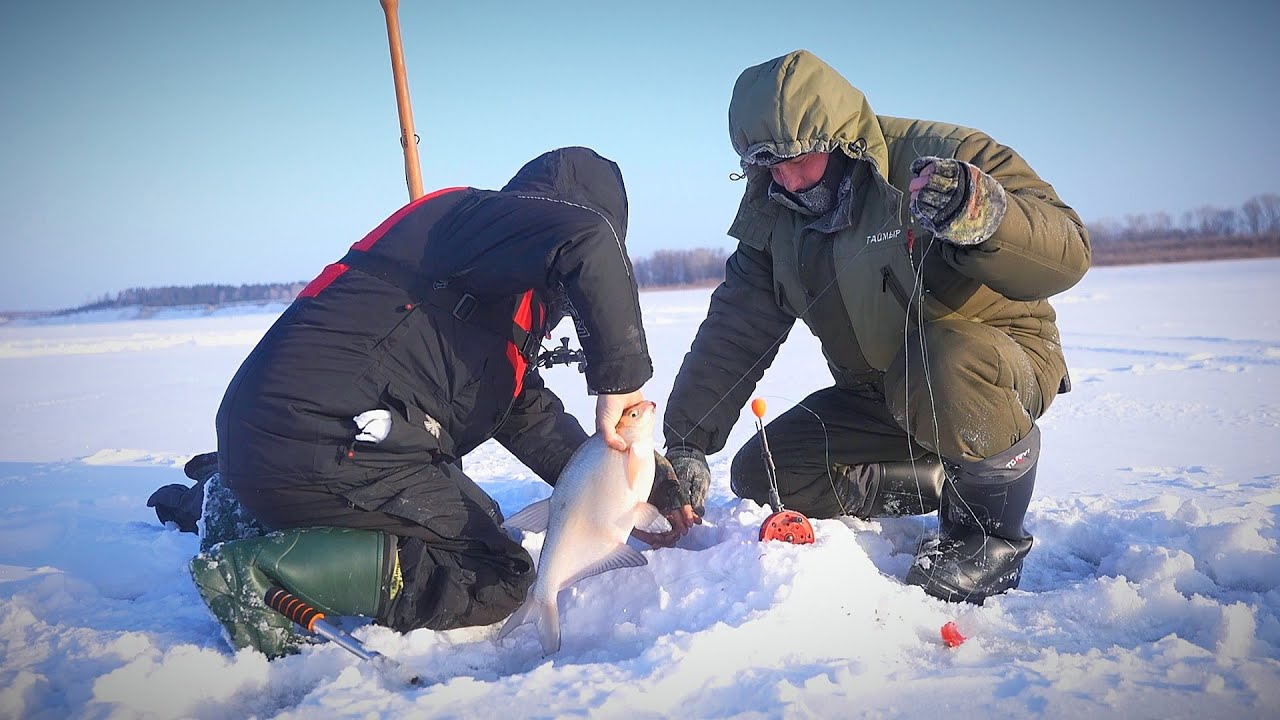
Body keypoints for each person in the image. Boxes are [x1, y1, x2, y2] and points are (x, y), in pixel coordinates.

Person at [176, 146, 654, 657]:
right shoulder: (468, 221)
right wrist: (620, 382)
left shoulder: (497, 296)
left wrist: (642, 482)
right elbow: (588, 238)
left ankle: (239, 507)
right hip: (327, 437)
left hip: (280, 439)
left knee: (475, 516)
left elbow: (528, 418)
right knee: (495, 571)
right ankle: (262, 574)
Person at [650, 50, 1091, 604]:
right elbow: (735, 329)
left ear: (837, 138)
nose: (785, 177)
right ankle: (938, 477)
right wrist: (688, 443)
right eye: (767, 163)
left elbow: (1069, 253)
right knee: (766, 475)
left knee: (943, 358)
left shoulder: (944, 156)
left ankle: (986, 541)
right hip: (880, 394)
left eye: (798, 157)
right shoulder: (775, 214)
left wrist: (985, 214)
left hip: (991, 370)